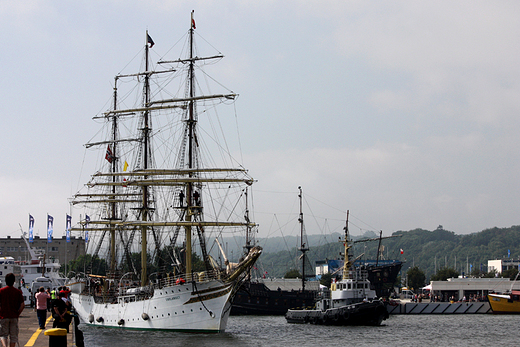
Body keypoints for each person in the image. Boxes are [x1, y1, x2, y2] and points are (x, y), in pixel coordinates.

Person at [0, 273, 25, 347]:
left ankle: (5, 346)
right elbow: (22, 305)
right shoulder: (18, 292)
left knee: (3, 335)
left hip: (3, 316)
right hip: (14, 316)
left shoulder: (1, 291)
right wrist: (17, 313)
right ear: (14, 281)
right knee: (13, 336)